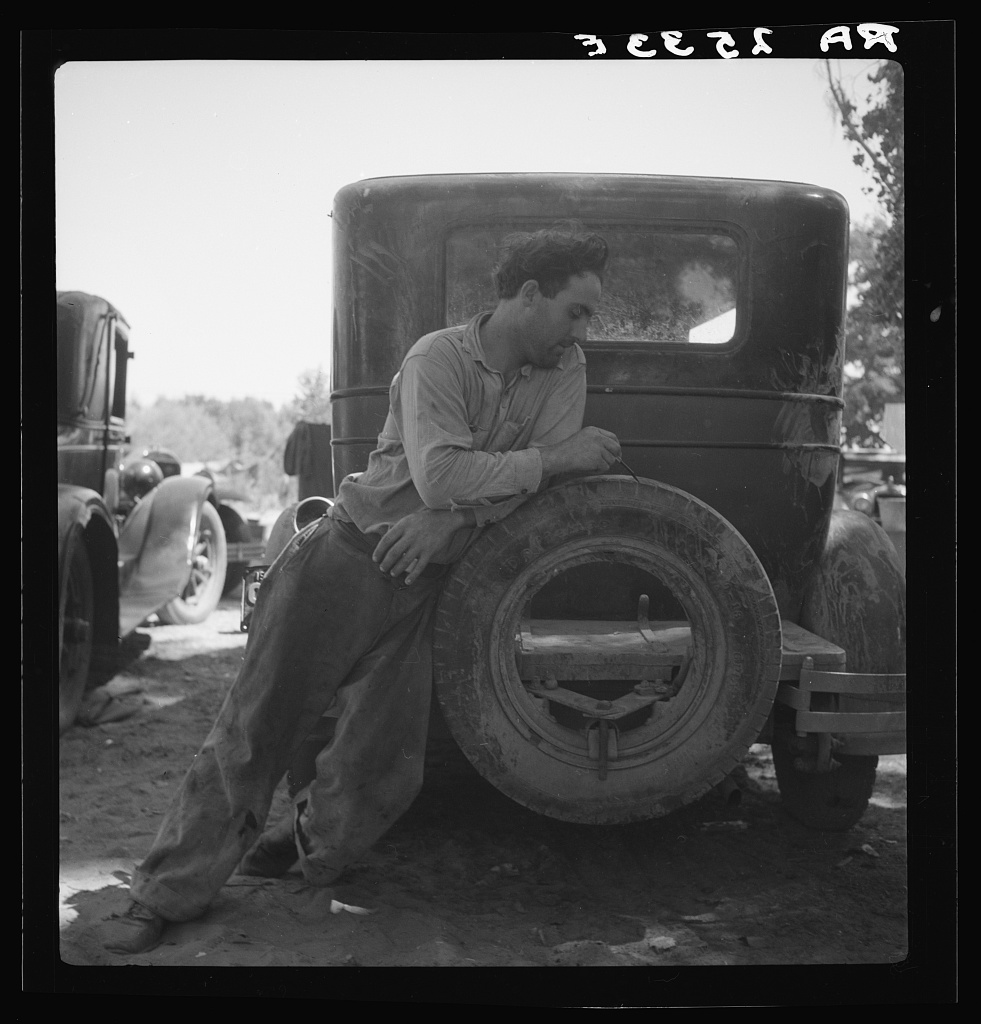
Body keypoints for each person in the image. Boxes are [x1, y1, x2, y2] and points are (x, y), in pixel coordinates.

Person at [102, 227, 622, 954]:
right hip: (346, 558)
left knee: (381, 762)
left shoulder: (562, 367)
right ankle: (163, 894)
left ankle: (307, 852)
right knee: (256, 732)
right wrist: (543, 462)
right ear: (529, 295)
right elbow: (449, 475)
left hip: (433, 575)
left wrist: (456, 523)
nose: (581, 332)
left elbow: (525, 493)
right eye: (576, 311)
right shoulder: (436, 358)